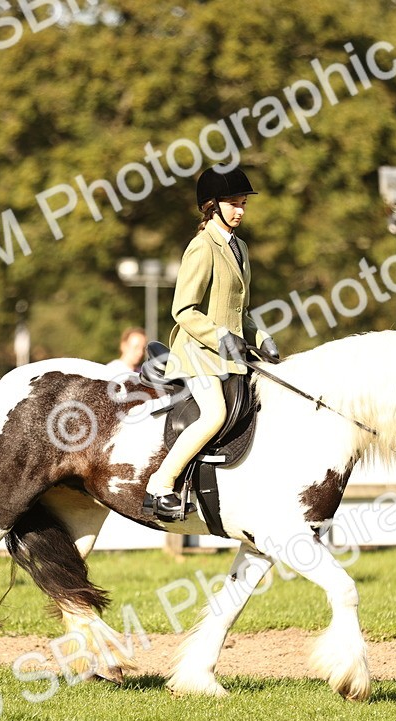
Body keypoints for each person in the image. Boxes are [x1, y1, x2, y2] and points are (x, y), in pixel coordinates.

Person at [142, 165, 278, 521]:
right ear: (212, 205)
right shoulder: (202, 247)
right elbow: (183, 310)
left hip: (231, 354)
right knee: (214, 413)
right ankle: (160, 484)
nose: (241, 210)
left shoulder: (240, 248)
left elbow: (240, 311)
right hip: (198, 354)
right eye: (234, 203)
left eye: (244, 203)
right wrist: (220, 337)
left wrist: (263, 339)